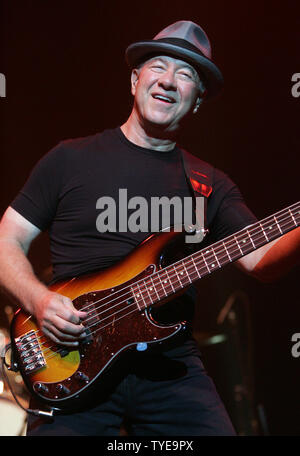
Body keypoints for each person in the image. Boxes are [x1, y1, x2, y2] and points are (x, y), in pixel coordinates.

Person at [0, 20, 299, 436]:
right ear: (135, 79)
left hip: (169, 366)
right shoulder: (69, 160)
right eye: (158, 66)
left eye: (186, 75)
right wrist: (39, 302)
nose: (168, 81)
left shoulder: (208, 184)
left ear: (197, 101)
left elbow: (262, 263)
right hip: (70, 356)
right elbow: (6, 240)